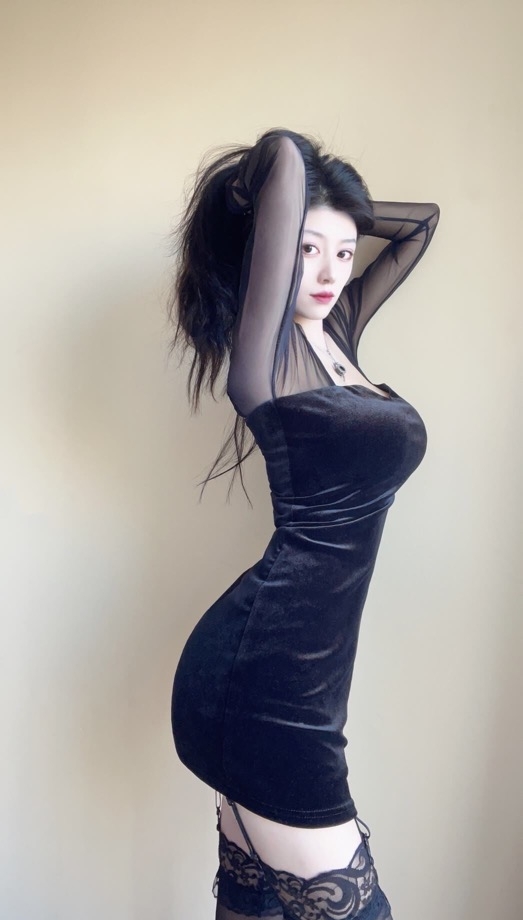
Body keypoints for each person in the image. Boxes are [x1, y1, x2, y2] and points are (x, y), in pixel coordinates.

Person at [169, 127, 440, 919]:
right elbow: (286, 154)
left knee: (252, 905)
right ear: (270, 246)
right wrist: (263, 195)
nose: (327, 274)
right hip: (263, 681)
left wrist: (336, 211)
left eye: (344, 254)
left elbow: (420, 223)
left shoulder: (340, 332)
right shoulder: (263, 360)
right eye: (304, 250)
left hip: (306, 679)